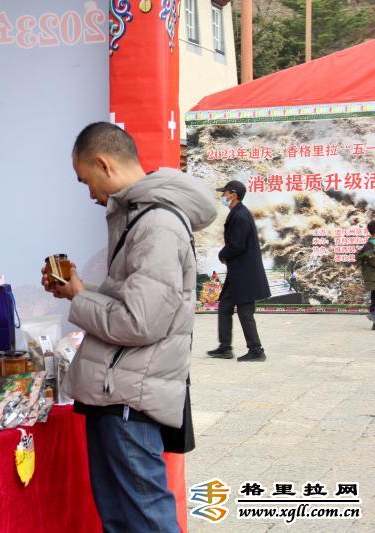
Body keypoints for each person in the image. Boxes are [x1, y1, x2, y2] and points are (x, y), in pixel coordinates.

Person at [42, 122, 216, 532]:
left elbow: (139, 322)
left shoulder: (157, 225)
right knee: (122, 520)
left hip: (127, 399)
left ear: (103, 164)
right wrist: (80, 289)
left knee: (146, 520)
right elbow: (132, 299)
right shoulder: (141, 216)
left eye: (86, 179)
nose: (90, 193)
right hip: (119, 394)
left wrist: (78, 298)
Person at [207, 180, 271, 362]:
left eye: (225, 193)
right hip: (237, 272)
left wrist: (222, 254)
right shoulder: (238, 212)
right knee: (225, 307)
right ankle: (225, 347)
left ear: (233, 195)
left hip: (245, 274)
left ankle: (256, 351)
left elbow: (237, 245)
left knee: (245, 312)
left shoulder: (240, 215)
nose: (222, 196)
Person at [355, 220, 375, 330]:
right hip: (372, 277)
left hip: (371, 277)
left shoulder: (368, 245)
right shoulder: (370, 246)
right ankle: (373, 315)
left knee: (374, 298)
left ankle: (374, 317)